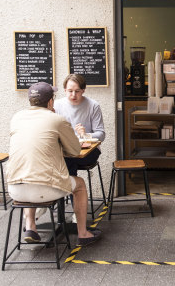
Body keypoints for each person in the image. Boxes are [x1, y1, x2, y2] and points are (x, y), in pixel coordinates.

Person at [7, 82, 101, 246]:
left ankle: (31, 226)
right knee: (79, 184)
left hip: (15, 190)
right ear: (51, 102)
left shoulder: (16, 117)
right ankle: (83, 233)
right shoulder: (57, 119)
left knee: (30, 171)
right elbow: (74, 151)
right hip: (44, 190)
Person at [54, 74, 105, 176]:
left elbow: (101, 134)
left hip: (88, 150)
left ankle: (70, 190)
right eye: (70, 91)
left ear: (83, 90)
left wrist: (85, 135)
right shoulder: (57, 105)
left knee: (67, 161)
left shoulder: (93, 105)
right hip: (65, 150)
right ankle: (72, 189)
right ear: (64, 90)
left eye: (77, 91)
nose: (73, 95)